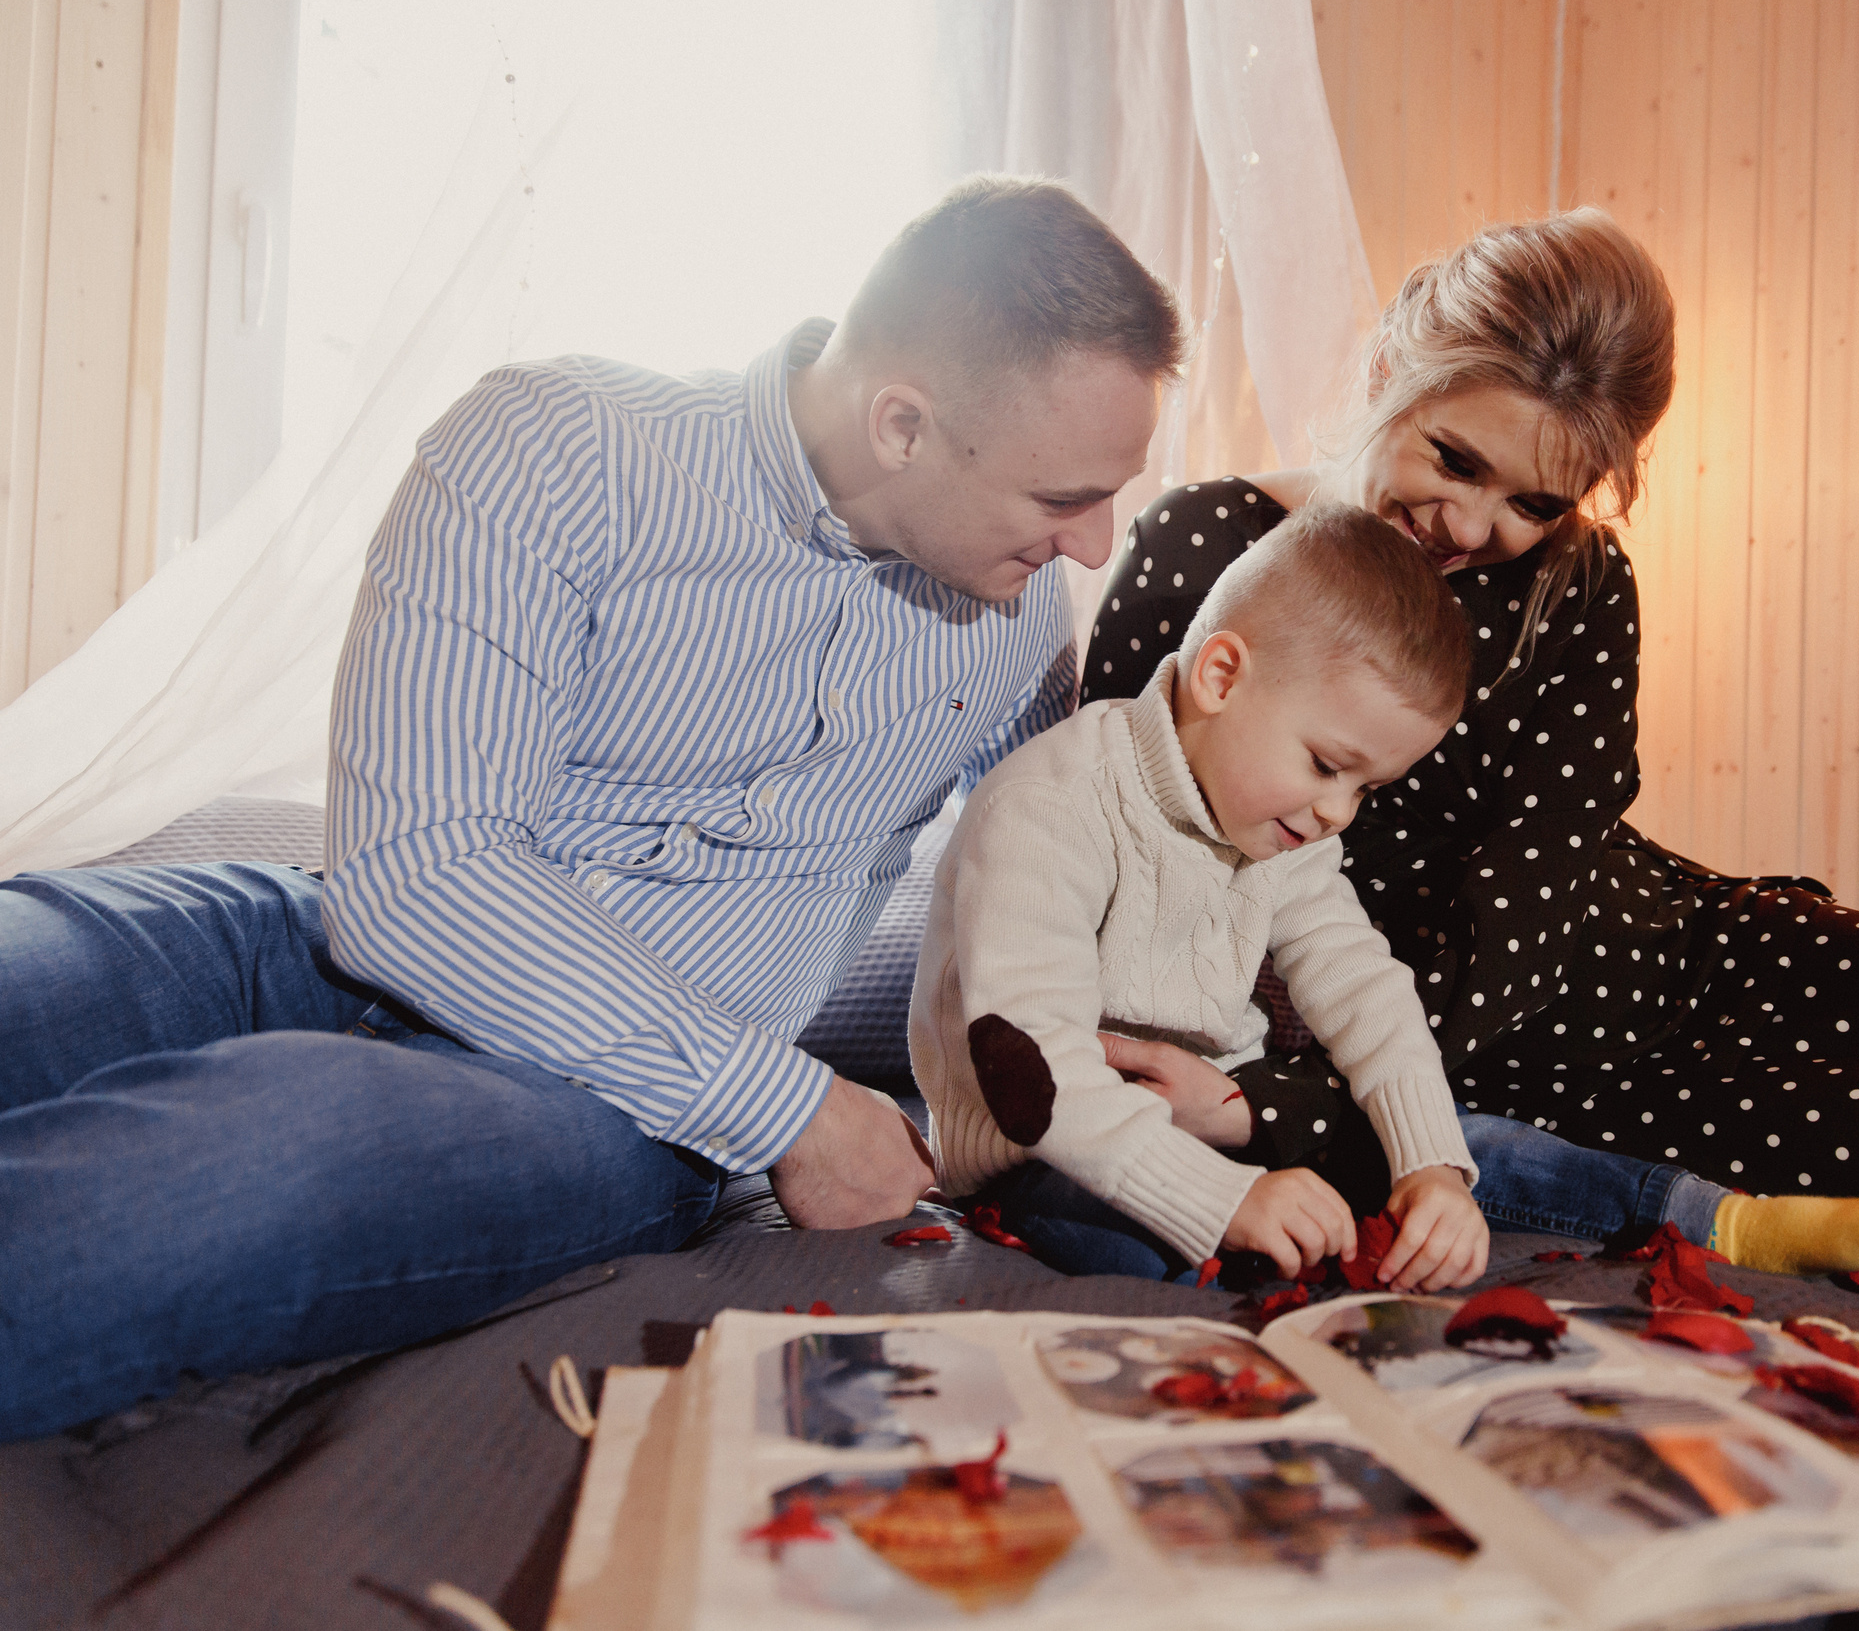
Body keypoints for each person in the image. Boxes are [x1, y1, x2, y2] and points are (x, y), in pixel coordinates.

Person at [0, 176, 1183, 1441]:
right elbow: (417, 878)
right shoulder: (552, 446)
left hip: (615, 1105)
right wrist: (790, 1106)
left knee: (218, 1168)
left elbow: (1060, 888)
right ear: (901, 423)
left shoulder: (1013, 629)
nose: (1097, 546)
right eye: (1065, 497)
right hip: (316, 936)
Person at [1083, 208, 1859, 1234]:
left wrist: (1286, 1105)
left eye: (1531, 501)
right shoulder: (1202, 549)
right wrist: (1283, 1109)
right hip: (1513, 1066)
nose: (1470, 526)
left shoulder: (1576, 586)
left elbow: (1528, 901)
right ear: (1388, 372)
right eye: (1452, 459)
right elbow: (1106, 847)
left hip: (1651, 944)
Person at [915, 502, 1859, 1289]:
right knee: (1147, 1256)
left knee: (1474, 1139)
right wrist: (1225, 1203)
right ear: (1221, 675)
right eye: (1326, 764)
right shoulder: (1049, 807)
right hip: (1037, 1141)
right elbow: (1031, 1079)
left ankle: (1727, 1220)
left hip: (1210, 1114)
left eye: (1365, 787)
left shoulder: (1281, 821)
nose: (1336, 812)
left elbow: (1366, 989)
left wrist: (1429, 1170)